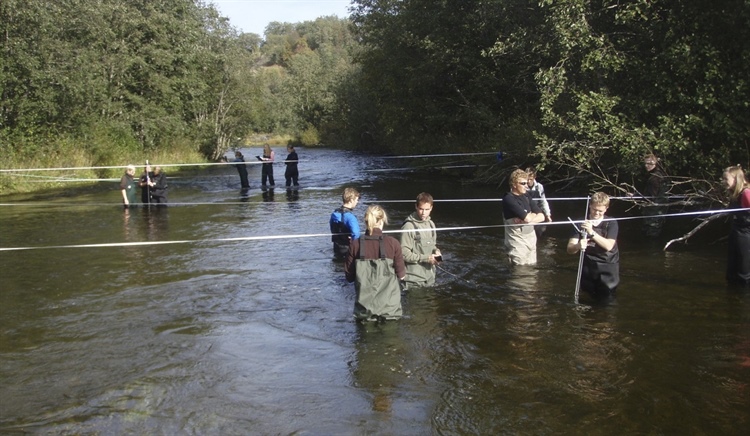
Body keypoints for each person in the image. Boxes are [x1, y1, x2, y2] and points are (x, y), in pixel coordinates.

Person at [344, 205, 407, 322]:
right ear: (382, 220)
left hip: (364, 311)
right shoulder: (393, 244)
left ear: (365, 221)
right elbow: (402, 276)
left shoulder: (355, 245)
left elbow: (349, 278)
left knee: (365, 340)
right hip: (390, 310)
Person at [566, 192, 620, 299]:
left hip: (607, 267)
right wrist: (577, 246)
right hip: (588, 267)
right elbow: (569, 249)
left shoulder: (611, 223)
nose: (596, 213)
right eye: (594, 209)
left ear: (606, 209)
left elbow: (609, 246)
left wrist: (592, 232)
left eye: (600, 211)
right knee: (586, 298)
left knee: (606, 299)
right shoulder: (580, 223)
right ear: (590, 205)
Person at [502, 168, 545, 265]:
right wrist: (531, 217)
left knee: (532, 271)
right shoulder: (508, 198)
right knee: (520, 273)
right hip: (517, 243)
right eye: (523, 183)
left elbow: (542, 216)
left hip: (531, 240)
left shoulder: (526, 196)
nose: (526, 186)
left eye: (527, 183)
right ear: (514, 184)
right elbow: (527, 218)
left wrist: (530, 217)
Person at [399, 192, 441, 287]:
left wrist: (437, 252)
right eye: (421, 209)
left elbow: (433, 245)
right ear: (416, 206)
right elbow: (404, 254)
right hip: (414, 281)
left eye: (427, 209)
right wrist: (427, 258)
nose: (424, 213)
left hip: (430, 278)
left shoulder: (431, 224)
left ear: (431, 208)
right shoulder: (408, 227)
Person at [723, 165, 750, 286]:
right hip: (736, 232)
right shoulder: (735, 194)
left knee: (743, 273)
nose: (724, 182)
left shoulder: (746, 193)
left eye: (726, 179)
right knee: (731, 273)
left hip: (746, 236)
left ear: (736, 179)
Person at [640, 153, 670, 237]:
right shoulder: (661, 175)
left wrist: (634, 196)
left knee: (652, 235)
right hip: (660, 211)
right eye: (645, 163)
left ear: (656, 163)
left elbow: (650, 197)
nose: (647, 166)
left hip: (654, 213)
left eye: (649, 163)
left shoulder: (655, 178)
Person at [330, 187, 361, 258]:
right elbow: (356, 234)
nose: (357, 202)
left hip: (336, 247)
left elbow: (332, 229)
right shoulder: (350, 217)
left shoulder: (334, 214)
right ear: (351, 200)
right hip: (348, 248)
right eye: (356, 200)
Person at [526, 167, 552, 238]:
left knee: (541, 233)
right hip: (527, 212)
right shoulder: (523, 186)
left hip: (537, 210)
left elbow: (543, 201)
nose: (528, 181)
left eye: (530, 179)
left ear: (534, 177)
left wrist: (548, 215)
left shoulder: (539, 187)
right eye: (527, 179)